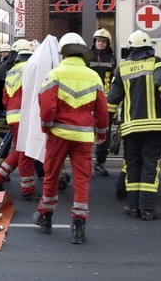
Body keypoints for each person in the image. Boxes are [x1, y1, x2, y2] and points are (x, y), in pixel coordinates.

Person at [106, 30, 161, 221]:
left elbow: (112, 100)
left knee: (132, 165)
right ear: (148, 47)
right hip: (153, 126)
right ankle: (147, 208)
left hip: (130, 127)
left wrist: (105, 124)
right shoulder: (157, 61)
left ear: (130, 49)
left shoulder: (122, 68)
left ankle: (132, 206)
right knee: (150, 164)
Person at [33, 33, 109, 244]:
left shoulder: (55, 74)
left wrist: (46, 127)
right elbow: (102, 110)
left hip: (59, 134)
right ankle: (79, 226)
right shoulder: (93, 76)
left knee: (52, 176)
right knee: (82, 180)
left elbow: (47, 106)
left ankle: (45, 217)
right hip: (83, 137)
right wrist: (101, 133)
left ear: (64, 52)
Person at [0, 39, 37, 199]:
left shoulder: (12, 71)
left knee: (18, 149)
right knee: (26, 153)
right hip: (26, 115)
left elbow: (4, 97)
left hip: (12, 115)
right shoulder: (32, 69)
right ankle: (28, 189)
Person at [87, 29, 117, 177]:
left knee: (104, 133)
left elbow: (115, 81)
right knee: (85, 134)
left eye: (103, 41)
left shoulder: (112, 59)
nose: (100, 43)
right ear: (94, 42)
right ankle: (85, 164)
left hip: (105, 102)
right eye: (98, 40)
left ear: (107, 44)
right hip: (87, 101)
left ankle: (100, 164)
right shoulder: (86, 57)